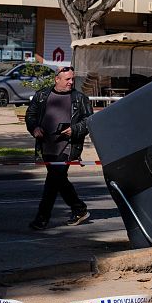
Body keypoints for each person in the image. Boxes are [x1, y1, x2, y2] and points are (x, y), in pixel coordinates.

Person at [25, 66, 94, 230]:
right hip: (47, 146)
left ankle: (42, 218)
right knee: (58, 180)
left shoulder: (80, 98)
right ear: (57, 79)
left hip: (68, 147)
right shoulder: (42, 95)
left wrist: (75, 129)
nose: (71, 82)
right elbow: (30, 115)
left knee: (52, 181)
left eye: (72, 79)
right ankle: (79, 208)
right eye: (67, 79)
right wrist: (34, 128)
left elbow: (89, 120)